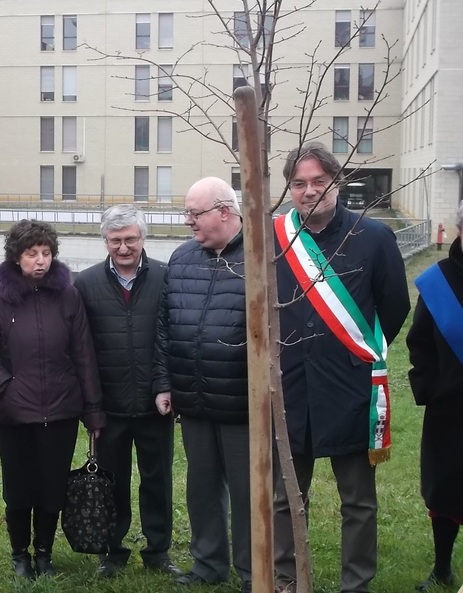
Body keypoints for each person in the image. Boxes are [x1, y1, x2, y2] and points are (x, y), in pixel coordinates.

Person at [272, 142, 410, 593]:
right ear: (290, 188)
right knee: (285, 497)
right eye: (299, 183)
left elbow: (394, 305)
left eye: (318, 181)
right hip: (291, 386)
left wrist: (357, 353)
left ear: (336, 182)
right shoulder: (275, 238)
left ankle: (357, 583)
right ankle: (287, 578)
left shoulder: (374, 237)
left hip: (350, 388)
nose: (309, 191)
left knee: (358, 501)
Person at [0, 219, 105, 579]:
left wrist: (93, 411)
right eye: (32, 253)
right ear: (17, 257)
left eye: (46, 253)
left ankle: (44, 554)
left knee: (52, 488)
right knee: (18, 490)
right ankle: (20, 555)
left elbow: (84, 354)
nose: (40, 261)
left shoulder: (68, 295)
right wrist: (4, 385)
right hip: (14, 413)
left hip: (61, 411)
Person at [152, 178, 252, 593]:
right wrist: (164, 382)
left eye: (195, 214)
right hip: (192, 397)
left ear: (224, 212)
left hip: (242, 400)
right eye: (187, 213)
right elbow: (164, 327)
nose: (187, 221)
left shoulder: (263, 257)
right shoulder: (182, 257)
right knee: (202, 486)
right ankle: (209, 563)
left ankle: (253, 571)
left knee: (250, 492)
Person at [73, 205, 181, 579]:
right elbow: (81, 348)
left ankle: (158, 552)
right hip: (109, 407)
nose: (123, 248)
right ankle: (112, 552)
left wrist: (166, 386)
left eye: (130, 239)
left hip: (155, 404)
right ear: (104, 241)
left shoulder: (167, 278)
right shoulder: (84, 284)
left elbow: (172, 339)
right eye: (116, 240)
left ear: (143, 238)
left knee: (157, 482)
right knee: (110, 484)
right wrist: (91, 405)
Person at [406, 200, 463, 592]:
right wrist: (431, 388)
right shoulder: (438, 280)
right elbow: (419, 342)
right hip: (451, 409)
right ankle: (442, 568)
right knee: (446, 490)